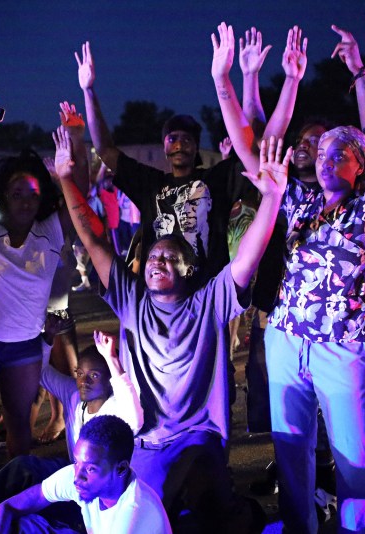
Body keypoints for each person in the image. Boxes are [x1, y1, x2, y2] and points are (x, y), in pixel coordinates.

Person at [212, 5, 365, 532]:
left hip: (342, 348)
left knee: (354, 457)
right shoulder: (296, 201)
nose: (326, 155)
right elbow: (249, 143)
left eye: (341, 149)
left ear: (362, 163)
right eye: (321, 148)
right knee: (291, 452)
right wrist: (225, 82)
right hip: (283, 340)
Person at [55, 123, 291, 531]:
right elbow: (93, 240)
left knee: (206, 510)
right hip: (148, 438)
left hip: (200, 437)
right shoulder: (131, 302)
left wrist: (272, 198)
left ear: (190, 269)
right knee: (140, 515)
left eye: (169, 257)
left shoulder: (210, 301)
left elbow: (248, 257)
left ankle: (246, 514)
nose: (157, 261)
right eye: (153, 256)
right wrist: (64, 177)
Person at [0, 97, 88, 510]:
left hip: (25, 348)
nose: (25, 199)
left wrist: (75, 144)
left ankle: (15, 504)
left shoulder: (49, 232)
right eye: (16, 192)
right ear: (3, 196)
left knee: (21, 430)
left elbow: (83, 193)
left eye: (33, 193)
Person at [75, 30, 302, 282]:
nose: (179, 144)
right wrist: (88, 91)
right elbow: (106, 151)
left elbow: (254, 148)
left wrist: (250, 77)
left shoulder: (217, 180)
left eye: (187, 139)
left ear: (196, 147)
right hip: (159, 301)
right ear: (164, 147)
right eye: (173, 138)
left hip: (206, 299)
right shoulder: (150, 184)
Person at [0, 331, 143, 533]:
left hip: (98, 488)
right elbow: (41, 371)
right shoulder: (73, 394)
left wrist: (112, 359)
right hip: (73, 474)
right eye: (80, 373)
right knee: (22, 467)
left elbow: (135, 418)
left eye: (94, 375)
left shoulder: (118, 409)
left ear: (109, 379)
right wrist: (48, 339)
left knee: (27, 519)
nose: (84, 381)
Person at [0, 415, 170, 534]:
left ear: (121, 468)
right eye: (76, 462)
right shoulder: (81, 478)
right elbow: (9, 507)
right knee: (22, 525)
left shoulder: (133, 513)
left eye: (91, 469)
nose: (77, 476)